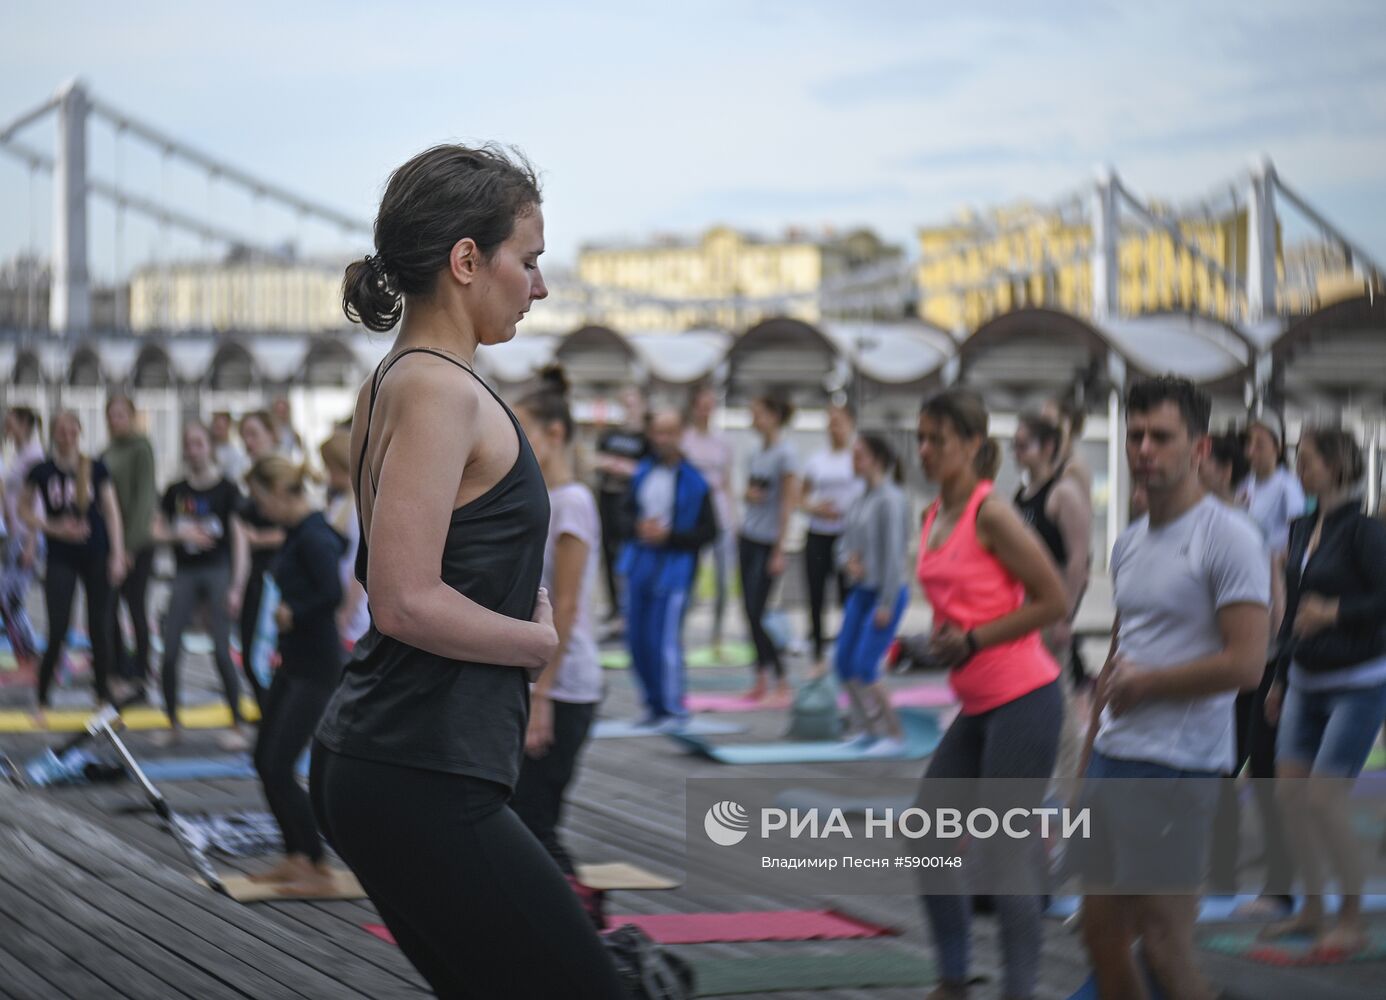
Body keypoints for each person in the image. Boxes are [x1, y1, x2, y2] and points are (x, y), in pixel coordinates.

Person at [310, 143, 625, 998]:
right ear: (465, 261)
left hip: (397, 757)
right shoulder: (437, 389)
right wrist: (533, 644)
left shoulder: (401, 380)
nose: (541, 286)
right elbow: (404, 600)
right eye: (530, 261)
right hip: (419, 768)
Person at [1077, 377, 1269, 1000]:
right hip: (1116, 756)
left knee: (1163, 944)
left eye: (1160, 436)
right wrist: (1088, 755)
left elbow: (1247, 665)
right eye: (1135, 435)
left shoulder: (1229, 536)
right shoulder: (1130, 540)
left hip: (1179, 766)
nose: (1143, 448)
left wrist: (1148, 684)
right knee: (1100, 935)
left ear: (1199, 447)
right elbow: (1119, 654)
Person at [914, 388, 1068, 1000]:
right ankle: (954, 979)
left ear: (973, 446)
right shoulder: (933, 516)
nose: (924, 450)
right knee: (927, 833)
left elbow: (1053, 602)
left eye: (938, 440)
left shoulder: (991, 512)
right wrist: (945, 634)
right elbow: (964, 599)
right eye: (920, 438)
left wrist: (973, 639)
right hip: (978, 703)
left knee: (1006, 855)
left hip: (1025, 699)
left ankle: (1018, 992)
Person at [1261, 427, 1386, 956]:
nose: (1300, 467)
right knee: (1291, 797)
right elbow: (1292, 610)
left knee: (1324, 800)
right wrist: (1280, 679)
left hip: (1358, 684)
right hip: (1306, 681)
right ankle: (1312, 909)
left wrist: (1335, 612)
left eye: (1306, 459)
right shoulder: (1302, 526)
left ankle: (1352, 918)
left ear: (1336, 464)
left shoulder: (1364, 530)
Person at [511, 365, 605, 875]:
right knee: (520, 819)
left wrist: (542, 697)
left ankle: (589, 937)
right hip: (539, 680)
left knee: (535, 823)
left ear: (555, 434)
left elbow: (566, 605)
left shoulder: (574, 503)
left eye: (522, 430)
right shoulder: (543, 499)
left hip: (564, 687)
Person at [245, 455, 346, 896]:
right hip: (293, 662)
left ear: (284, 493)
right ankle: (295, 856)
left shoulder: (314, 536)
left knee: (279, 764)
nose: (260, 509)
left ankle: (317, 865)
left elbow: (333, 593)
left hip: (317, 667)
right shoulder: (298, 532)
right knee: (263, 759)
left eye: (263, 499)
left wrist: (293, 612)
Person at [150, 422, 251, 750]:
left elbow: (239, 541)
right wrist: (181, 535)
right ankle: (172, 723)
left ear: (209, 447)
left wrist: (237, 586)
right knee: (169, 650)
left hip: (217, 570)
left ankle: (237, 722)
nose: (193, 450)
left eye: (199, 444)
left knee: (222, 650)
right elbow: (155, 531)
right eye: (188, 445)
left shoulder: (226, 489)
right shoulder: (175, 490)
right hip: (186, 573)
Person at [21, 411, 127, 714]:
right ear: (53, 434)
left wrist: (117, 554)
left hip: (96, 553)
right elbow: (23, 508)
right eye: (61, 430)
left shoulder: (93, 467)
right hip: (60, 556)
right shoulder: (41, 470)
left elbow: (112, 511)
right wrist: (51, 528)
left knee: (100, 626)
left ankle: (101, 695)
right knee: (58, 628)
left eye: (72, 430)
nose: (67, 436)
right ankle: (42, 696)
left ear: (79, 432)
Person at [1012, 411, 1093, 796]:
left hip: (1050, 614)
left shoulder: (1063, 494)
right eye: (1014, 444)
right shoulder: (1020, 495)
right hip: (1024, 613)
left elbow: (1079, 560)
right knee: (1028, 703)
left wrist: (1066, 616)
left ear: (1047, 447)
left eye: (1023, 444)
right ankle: (1040, 785)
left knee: (1058, 705)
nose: (1016, 451)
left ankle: (1070, 793)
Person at [620, 408, 717, 728]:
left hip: (675, 567)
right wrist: (638, 527)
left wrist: (669, 536)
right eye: (657, 433)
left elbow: (709, 531)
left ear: (680, 435)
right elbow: (620, 516)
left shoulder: (695, 481)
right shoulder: (642, 473)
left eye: (668, 433)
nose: (662, 440)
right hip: (641, 562)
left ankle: (673, 707)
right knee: (636, 638)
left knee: (664, 640)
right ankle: (653, 704)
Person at [831, 433, 910, 755]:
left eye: (859, 454)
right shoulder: (860, 498)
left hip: (883, 594)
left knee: (865, 666)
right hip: (860, 592)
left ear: (876, 458)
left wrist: (887, 602)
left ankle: (893, 734)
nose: (853, 460)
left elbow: (894, 555)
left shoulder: (891, 500)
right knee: (842, 663)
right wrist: (847, 562)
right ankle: (865, 728)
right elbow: (843, 545)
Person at [739, 392, 800, 702]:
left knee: (758, 611)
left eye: (758, 412)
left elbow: (787, 504)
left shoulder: (786, 455)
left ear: (773, 416)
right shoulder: (755, 452)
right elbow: (750, 492)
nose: (753, 418)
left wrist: (780, 548)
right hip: (748, 536)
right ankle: (760, 675)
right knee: (748, 612)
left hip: (767, 542)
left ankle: (782, 678)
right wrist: (748, 497)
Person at [103, 394, 159, 698]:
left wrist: (129, 548)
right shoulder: (107, 451)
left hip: (136, 544)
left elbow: (143, 499)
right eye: (112, 415)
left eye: (122, 414)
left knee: (136, 607)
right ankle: (118, 666)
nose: (116, 420)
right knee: (108, 607)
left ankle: (141, 669)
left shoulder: (142, 447)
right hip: (113, 543)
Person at [802, 402, 864, 672]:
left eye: (839, 421)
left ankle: (847, 651)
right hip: (818, 534)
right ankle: (816, 653)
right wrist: (815, 507)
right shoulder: (817, 460)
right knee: (816, 596)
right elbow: (800, 496)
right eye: (830, 422)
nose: (834, 427)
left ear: (850, 424)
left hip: (847, 535)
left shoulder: (857, 459)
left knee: (846, 595)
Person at [681, 382, 736, 658]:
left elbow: (726, 482)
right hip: (694, 518)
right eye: (702, 406)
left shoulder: (723, 443)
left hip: (720, 517)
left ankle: (717, 636)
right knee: (689, 579)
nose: (706, 411)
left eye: (710, 407)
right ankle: (680, 633)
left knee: (724, 582)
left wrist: (733, 518)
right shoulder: (686, 440)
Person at [236, 410, 286, 709]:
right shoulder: (250, 479)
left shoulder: (279, 474)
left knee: (264, 651)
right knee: (248, 648)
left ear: (271, 435)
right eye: (244, 435)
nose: (248, 442)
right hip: (255, 573)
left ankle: (274, 717)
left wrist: (258, 538)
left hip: (276, 573)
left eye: (253, 434)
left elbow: (298, 525)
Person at [593, 386, 649, 633]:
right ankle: (616, 608)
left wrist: (624, 468)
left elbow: (646, 471)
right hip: (607, 500)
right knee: (608, 554)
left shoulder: (645, 440)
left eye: (633, 404)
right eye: (625, 404)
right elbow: (594, 459)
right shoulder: (609, 435)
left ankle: (630, 610)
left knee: (628, 556)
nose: (629, 409)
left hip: (630, 505)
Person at [1, 407, 45, 664]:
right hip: (16, 535)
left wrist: (30, 542)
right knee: (8, 595)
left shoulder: (33, 456)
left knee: (11, 596)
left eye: (10, 424)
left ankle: (28, 652)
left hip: (27, 536)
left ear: (24, 425)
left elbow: (37, 502)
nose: (6, 429)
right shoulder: (19, 455)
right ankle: (24, 650)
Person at [319, 429, 369, 647]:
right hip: (340, 600)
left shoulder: (358, 505)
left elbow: (360, 561)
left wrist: (347, 611)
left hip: (352, 609)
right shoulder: (341, 501)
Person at [1239, 414, 1307, 557]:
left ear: (1278, 448)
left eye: (1260, 445)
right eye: (1249, 444)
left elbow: (1298, 538)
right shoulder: (1245, 483)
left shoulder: (1288, 487)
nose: (1250, 452)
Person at [210, 411, 250, 484]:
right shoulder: (209, 447)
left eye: (219, 428)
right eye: (215, 427)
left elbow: (234, 476)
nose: (216, 432)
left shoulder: (236, 451)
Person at [270, 397, 305, 462]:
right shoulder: (269, 431)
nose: (280, 415)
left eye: (283, 411)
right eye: (278, 411)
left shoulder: (291, 431)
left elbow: (301, 450)